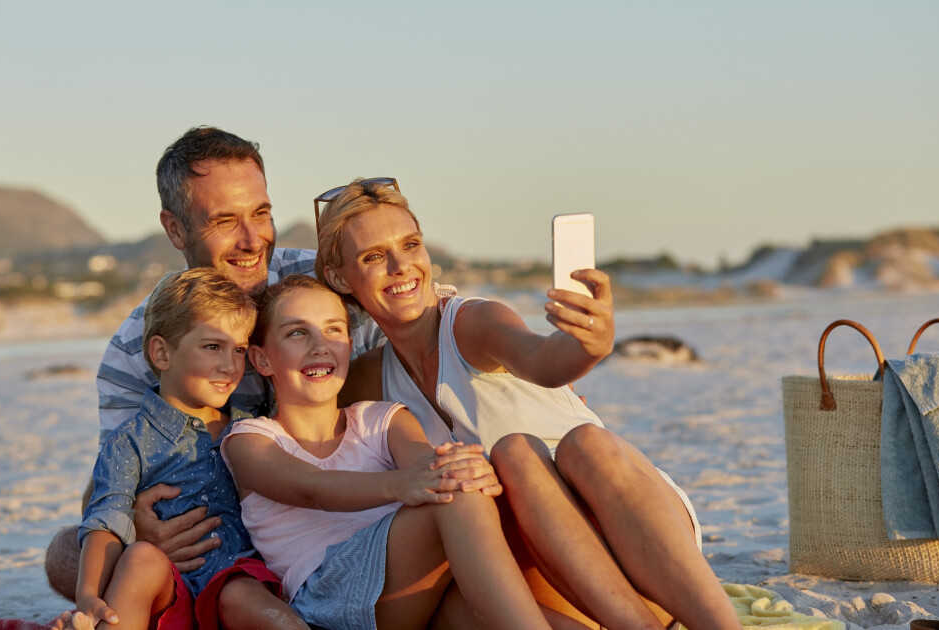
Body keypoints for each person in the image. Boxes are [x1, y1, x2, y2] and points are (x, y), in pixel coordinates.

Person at [315, 178, 744, 630]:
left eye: (410, 245)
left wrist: (589, 345)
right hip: (561, 586)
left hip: (645, 550)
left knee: (551, 448)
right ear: (340, 277)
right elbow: (301, 437)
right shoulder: (365, 379)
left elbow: (544, 359)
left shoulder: (472, 322)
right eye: (374, 256)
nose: (401, 266)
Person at [43, 126, 385, 607]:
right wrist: (138, 527)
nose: (252, 240)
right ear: (175, 229)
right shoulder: (136, 348)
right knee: (66, 553)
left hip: (340, 511)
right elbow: (112, 475)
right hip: (220, 543)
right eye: (225, 221)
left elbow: (422, 321)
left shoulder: (324, 287)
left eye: (261, 213)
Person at [221, 274, 552, 630]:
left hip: (411, 589)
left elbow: (428, 467)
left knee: (458, 488)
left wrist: (469, 470)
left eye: (333, 330)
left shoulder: (381, 419)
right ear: (262, 359)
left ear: (349, 346)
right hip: (329, 592)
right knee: (451, 493)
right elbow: (312, 487)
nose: (320, 346)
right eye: (297, 332)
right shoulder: (250, 440)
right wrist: (405, 484)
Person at [65, 268, 304, 630]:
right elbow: (106, 521)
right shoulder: (129, 441)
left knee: (240, 591)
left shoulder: (252, 431)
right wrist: (87, 597)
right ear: (162, 353)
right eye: (212, 347)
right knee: (141, 558)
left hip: (236, 582)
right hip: (165, 594)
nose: (230, 365)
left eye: (239, 350)